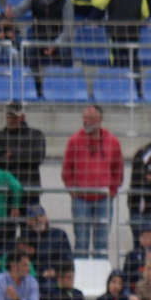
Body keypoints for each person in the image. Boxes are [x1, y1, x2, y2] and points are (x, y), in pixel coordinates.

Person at [60, 105, 123, 259]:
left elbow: (118, 168)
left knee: (101, 243)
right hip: (81, 199)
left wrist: (112, 191)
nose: (86, 121)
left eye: (90, 118)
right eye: (85, 118)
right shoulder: (74, 140)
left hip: (104, 199)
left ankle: (101, 273)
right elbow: (67, 168)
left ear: (100, 119)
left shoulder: (112, 141)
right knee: (81, 242)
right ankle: (80, 272)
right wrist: (72, 190)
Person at [0, 102, 45, 212]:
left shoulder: (36, 134)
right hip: (5, 191)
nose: (12, 120)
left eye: (15, 117)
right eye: (9, 116)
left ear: (22, 117)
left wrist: (12, 155)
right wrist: (23, 156)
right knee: (6, 223)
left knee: (30, 222)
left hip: (29, 191)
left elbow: (37, 157)